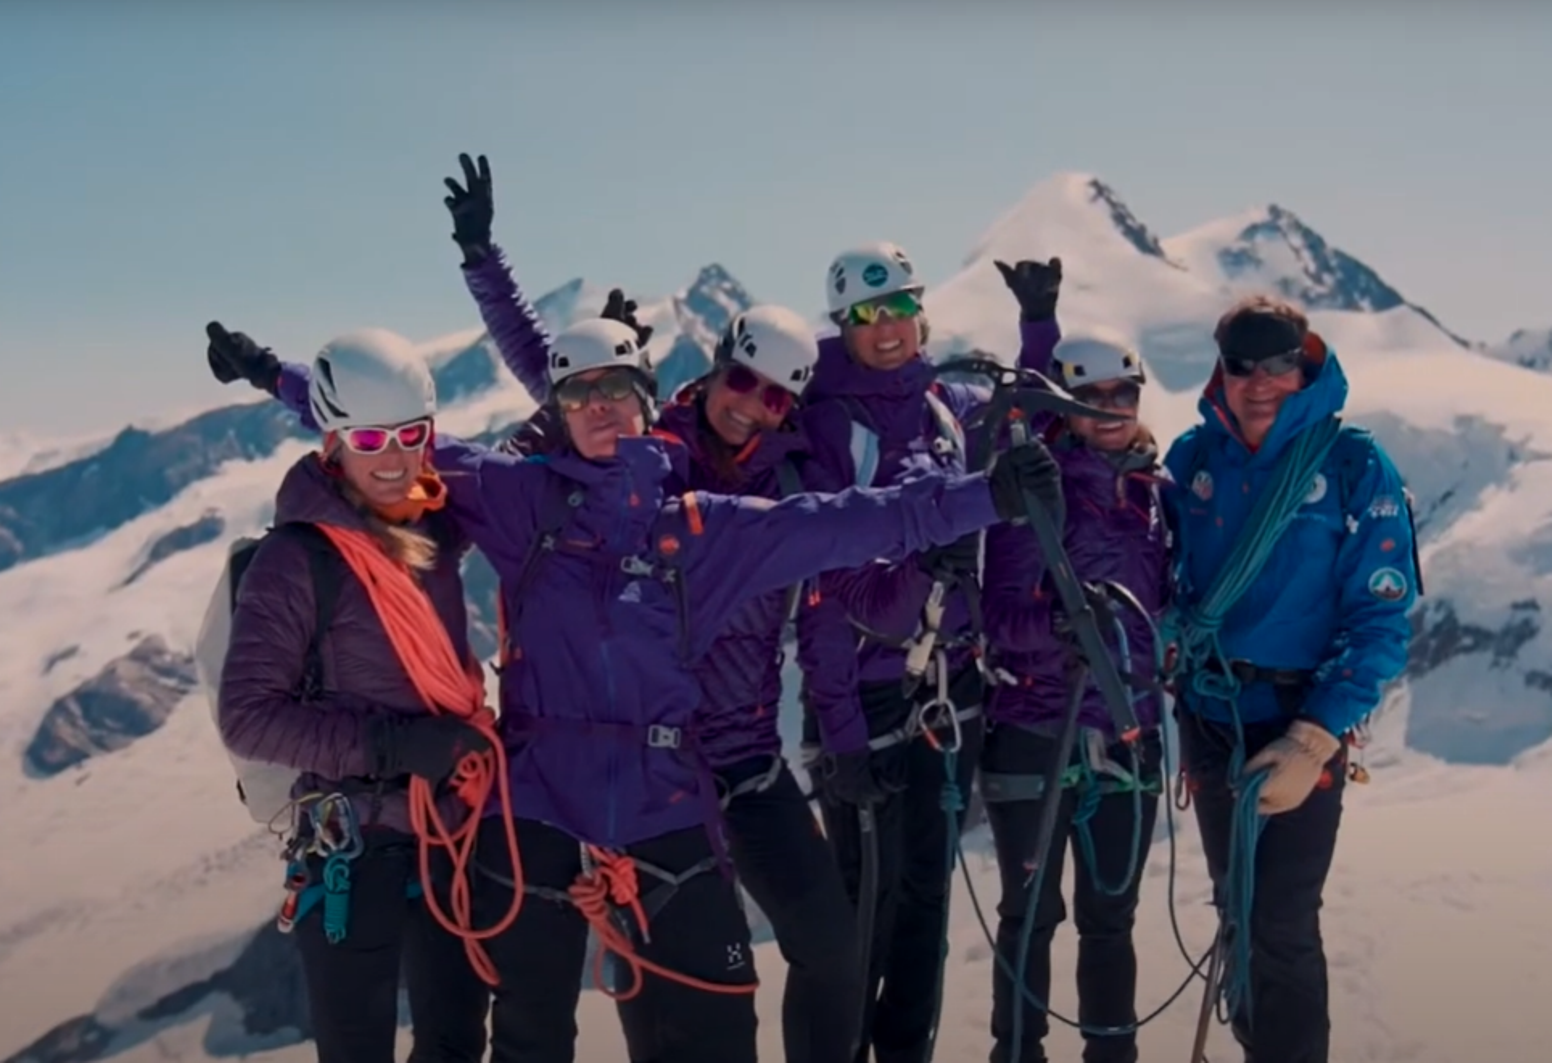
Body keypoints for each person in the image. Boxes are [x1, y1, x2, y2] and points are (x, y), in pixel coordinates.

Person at [205, 311, 1064, 1063]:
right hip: (533, 799)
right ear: (559, 411)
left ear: (652, 403)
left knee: (722, 1026)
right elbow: (386, 438)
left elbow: (851, 522)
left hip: (661, 800)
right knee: (533, 1035)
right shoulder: (515, 496)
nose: (602, 407)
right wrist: (273, 372)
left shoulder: (705, 530)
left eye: (619, 390)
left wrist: (987, 496)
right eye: (580, 394)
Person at [445, 152, 879, 1063]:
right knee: (655, 995)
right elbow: (550, 375)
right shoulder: (645, 455)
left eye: (775, 398)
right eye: (742, 383)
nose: (752, 409)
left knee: (831, 948)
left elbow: (863, 523)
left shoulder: (779, 487)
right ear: (713, 369)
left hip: (745, 757)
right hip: (651, 767)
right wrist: (485, 260)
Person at [798, 240, 1062, 1063]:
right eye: (869, 315)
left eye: (903, 308)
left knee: (926, 901)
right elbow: (821, 591)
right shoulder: (824, 421)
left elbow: (1022, 419)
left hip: (951, 693)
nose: (889, 329)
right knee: (861, 904)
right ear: (843, 324)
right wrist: (839, 737)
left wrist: (1039, 329)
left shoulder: (947, 402)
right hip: (866, 697)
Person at [213, 329, 496, 1063]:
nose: (396, 457)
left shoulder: (434, 527)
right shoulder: (295, 557)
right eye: (370, 437)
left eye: (411, 434)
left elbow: (521, 465)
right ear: (332, 441)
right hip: (354, 838)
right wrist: (397, 746)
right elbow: (247, 716)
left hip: (446, 832)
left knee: (457, 1043)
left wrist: (597, 378)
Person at [1161, 295, 1419, 1063]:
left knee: (1280, 917)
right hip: (1211, 714)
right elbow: (1149, 568)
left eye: (1280, 362)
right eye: (1242, 364)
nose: (1261, 380)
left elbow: (1380, 617)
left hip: (1301, 717)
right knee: (1238, 909)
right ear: (1222, 372)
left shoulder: (1351, 462)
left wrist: (1316, 733)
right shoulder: (1192, 459)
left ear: (1306, 364)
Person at [979, 259, 1168, 1063]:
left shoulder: (1152, 491)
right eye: (1091, 400)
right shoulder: (1031, 488)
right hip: (1036, 726)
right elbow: (994, 617)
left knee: (1109, 917)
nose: (1111, 411)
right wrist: (1056, 624)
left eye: (1124, 395)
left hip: (1126, 729)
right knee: (1030, 913)